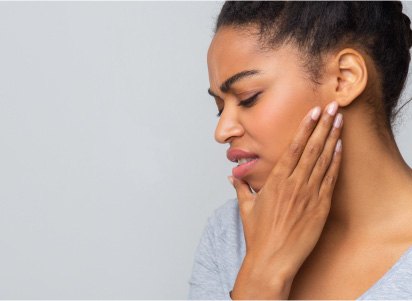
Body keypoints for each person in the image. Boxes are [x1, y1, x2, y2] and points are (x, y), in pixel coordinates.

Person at [188, 1, 412, 299]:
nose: (222, 131)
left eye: (248, 98)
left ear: (345, 78)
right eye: (220, 109)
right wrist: (262, 275)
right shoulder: (228, 237)